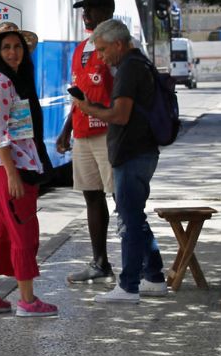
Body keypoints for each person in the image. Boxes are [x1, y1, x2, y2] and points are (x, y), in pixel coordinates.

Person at [71, 19, 166, 304]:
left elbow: (120, 115)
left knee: (129, 219)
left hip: (132, 152)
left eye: (103, 50)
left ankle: (128, 286)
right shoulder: (140, 63)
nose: (100, 57)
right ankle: (154, 277)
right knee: (134, 215)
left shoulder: (128, 69)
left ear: (119, 44)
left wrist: (89, 108)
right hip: (141, 150)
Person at [0, 22, 58, 318]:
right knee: (23, 231)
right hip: (9, 169)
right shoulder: (1, 83)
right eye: (6, 47)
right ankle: (27, 301)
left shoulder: (9, 80)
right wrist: (12, 174)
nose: (12, 52)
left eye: (17, 46)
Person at [55, 0, 117, 283]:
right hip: (82, 133)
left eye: (91, 9)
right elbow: (78, 95)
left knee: (121, 197)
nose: (86, 14)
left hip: (109, 133)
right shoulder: (81, 49)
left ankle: (142, 264)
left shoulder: (117, 47)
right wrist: (66, 129)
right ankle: (100, 263)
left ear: (107, 12)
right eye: (84, 10)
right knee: (92, 196)